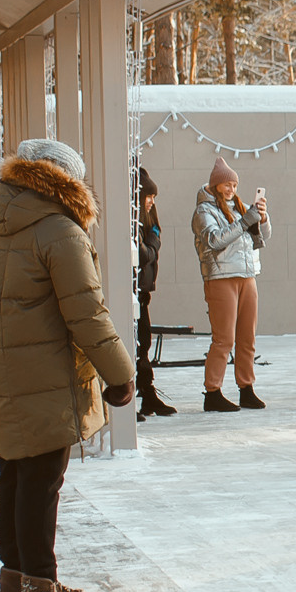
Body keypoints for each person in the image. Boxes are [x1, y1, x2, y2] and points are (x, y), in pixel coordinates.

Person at [0, 138, 135, 592]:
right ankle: (41, 584)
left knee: (14, 474)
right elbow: (87, 312)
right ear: (65, 183)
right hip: (42, 373)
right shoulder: (60, 231)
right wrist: (120, 375)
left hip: (3, 370)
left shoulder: (0, 224)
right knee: (42, 480)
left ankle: (14, 576)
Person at [192, 155, 270, 412]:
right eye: (226, 185)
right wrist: (245, 221)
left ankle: (246, 389)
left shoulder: (240, 207)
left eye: (234, 185)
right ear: (215, 185)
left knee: (247, 337)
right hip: (221, 278)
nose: (231, 189)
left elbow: (262, 237)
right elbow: (214, 240)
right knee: (224, 338)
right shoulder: (204, 211)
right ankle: (212, 392)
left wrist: (262, 218)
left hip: (248, 276)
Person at [132, 169, 177, 420]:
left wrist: (152, 242)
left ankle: (147, 394)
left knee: (144, 344)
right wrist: (153, 243)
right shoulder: (136, 226)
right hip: (134, 293)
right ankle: (134, 397)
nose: (152, 201)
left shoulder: (148, 224)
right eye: (149, 195)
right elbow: (143, 255)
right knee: (136, 345)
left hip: (143, 294)